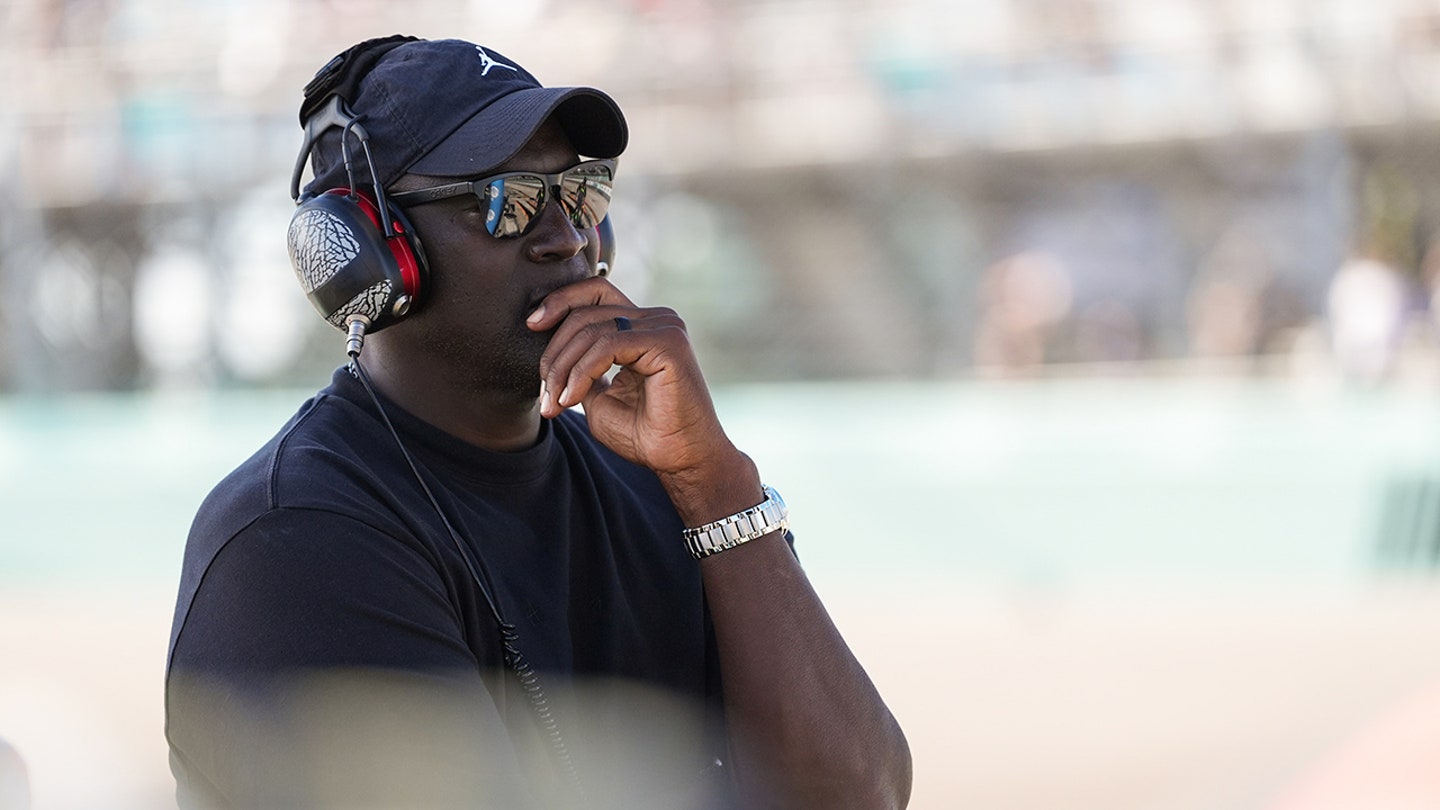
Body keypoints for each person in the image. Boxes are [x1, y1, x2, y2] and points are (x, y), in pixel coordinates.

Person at [165, 35, 911, 810]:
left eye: (580, 194)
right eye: (507, 201)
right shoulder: (296, 535)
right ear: (374, 251)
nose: (567, 237)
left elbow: (859, 795)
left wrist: (718, 484)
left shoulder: (673, 488)